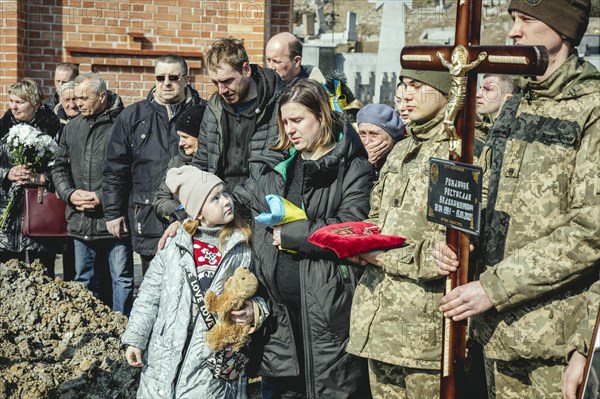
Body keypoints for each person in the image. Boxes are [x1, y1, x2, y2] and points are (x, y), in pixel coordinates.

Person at [434, 1, 600, 397]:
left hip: (556, 340)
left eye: (526, 20)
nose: (513, 32)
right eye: (512, 20)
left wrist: (494, 287)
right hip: (495, 334)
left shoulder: (592, 108)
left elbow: (591, 230)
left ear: (563, 31)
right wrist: (459, 241)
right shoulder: (517, 103)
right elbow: (488, 188)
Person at [250, 79, 375, 398]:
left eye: (298, 120)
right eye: (285, 122)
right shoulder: (280, 166)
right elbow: (248, 202)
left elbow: (353, 226)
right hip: (279, 323)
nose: (290, 129)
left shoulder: (352, 166)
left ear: (321, 116)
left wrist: (294, 234)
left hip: (327, 315)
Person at [346, 69, 453, 399]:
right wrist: (353, 239)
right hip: (378, 323)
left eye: (417, 86)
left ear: (447, 90)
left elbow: (453, 251)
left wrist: (382, 256)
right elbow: (378, 218)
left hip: (423, 332)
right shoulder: (401, 149)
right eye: (404, 85)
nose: (405, 95)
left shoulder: (459, 153)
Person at [122, 165, 268, 399]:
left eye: (225, 193)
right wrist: (135, 340)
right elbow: (149, 295)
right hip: (162, 360)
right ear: (198, 212)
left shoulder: (243, 247)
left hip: (209, 364)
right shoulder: (175, 245)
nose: (226, 201)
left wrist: (257, 310)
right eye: (215, 199)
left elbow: (265, 293)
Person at [103, 54, 203, 274]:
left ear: (186, 79)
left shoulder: (204, 114)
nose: (166, 83)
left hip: (197, 217)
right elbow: (115, 168)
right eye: (160, 77)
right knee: (155, 288)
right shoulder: (133, 116)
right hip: (149, 217)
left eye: (173, 77)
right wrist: (113, 212)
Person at [52, 73, 134, 315]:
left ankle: (124, 329)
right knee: (83, 279)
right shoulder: (72, 127)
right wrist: (69, 193)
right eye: (75, 98)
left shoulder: (122, 124)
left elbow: (130, 170)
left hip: (113, 219)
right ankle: (89, 333)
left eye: (84, 98)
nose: (77, 104)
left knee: (122, 278)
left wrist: (102, 196)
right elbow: (59, 166)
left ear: (102, 96)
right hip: (81, 219)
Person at [0, 78, 61, 274]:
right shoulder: (2, 129)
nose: (13, 107)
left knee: (42, 273)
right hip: (6, 217)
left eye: (20, 102)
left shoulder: (53, 131)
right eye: (11, 101)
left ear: (35, 104)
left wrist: (42, 178)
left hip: (40, 214)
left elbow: (64, 169)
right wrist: (7, 173)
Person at [153, 103, 206, 224]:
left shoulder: (217, 162)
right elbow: (160, 201)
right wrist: (182, 213)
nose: (180, 143)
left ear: (202, 137)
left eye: (186, 137)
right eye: (179, 137)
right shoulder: (177, 162)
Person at [356, 103, 405, 172]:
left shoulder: (405, 162)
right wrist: (366, 164)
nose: (367, 141)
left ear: (392, 138)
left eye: (374, 134)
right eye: (362, 134)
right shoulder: (350, 161)